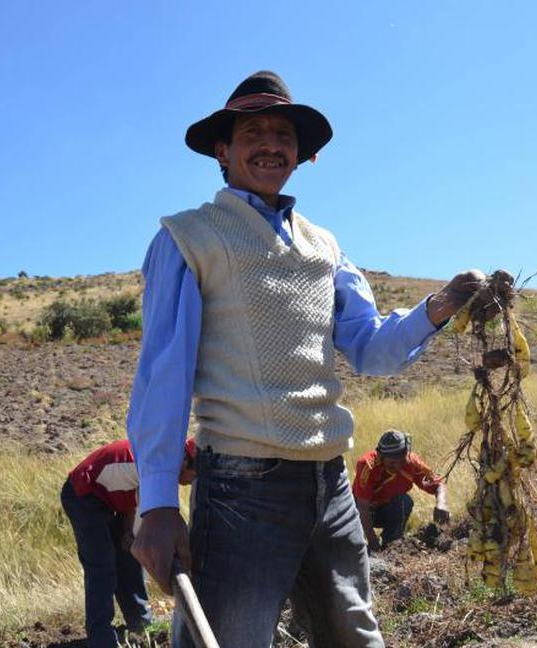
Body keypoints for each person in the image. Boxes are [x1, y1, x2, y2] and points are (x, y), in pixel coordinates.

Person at [127, 70, 489, 648]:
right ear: (222, 150)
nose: (271, 144)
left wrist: (440, 305)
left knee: (353, 637)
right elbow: (161, 382)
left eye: (283, 134)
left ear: (302, 155)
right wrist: (159, 504)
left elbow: (370, 348)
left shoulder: (323, 245)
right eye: (253, 132)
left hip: (330, 482)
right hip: (243, 485)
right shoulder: (190, 237)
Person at [61, 437, 197, 648]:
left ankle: (141, 623)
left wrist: (127, 531)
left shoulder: (162, 459)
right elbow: (146, 538)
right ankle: (101, 638)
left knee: (127, 558)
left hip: (108, 496)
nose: (191, 482)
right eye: (194, 477)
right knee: (102, 567)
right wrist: (168, 580)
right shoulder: (158, 469)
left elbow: (129, 492)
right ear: (186, 462)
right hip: (83, 494)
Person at [353, 429, 450, 552]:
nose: (398, 466)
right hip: (361, 513)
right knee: (354, 545)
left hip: (386, 511)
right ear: (381, 457)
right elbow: (362, 506)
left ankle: (391, 545)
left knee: (405, 501)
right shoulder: (368, 465)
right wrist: (372, 541)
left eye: (402, 461)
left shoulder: (412, 463)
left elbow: (438, 484)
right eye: (392, 463)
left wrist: (441, 503)